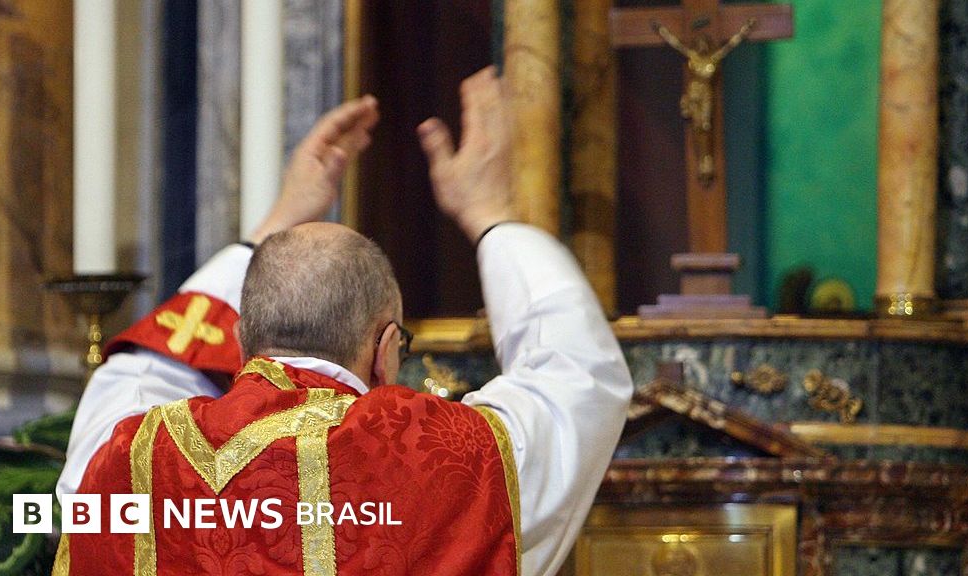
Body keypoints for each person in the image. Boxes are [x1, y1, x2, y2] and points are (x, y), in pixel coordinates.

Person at [54, 66, 632, 576]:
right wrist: (491, 215)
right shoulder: (455, 465)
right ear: (385, 350)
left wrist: (273, 224)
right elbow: (576, 376)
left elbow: (141, 373)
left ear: (238, 341)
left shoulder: (132, 463)